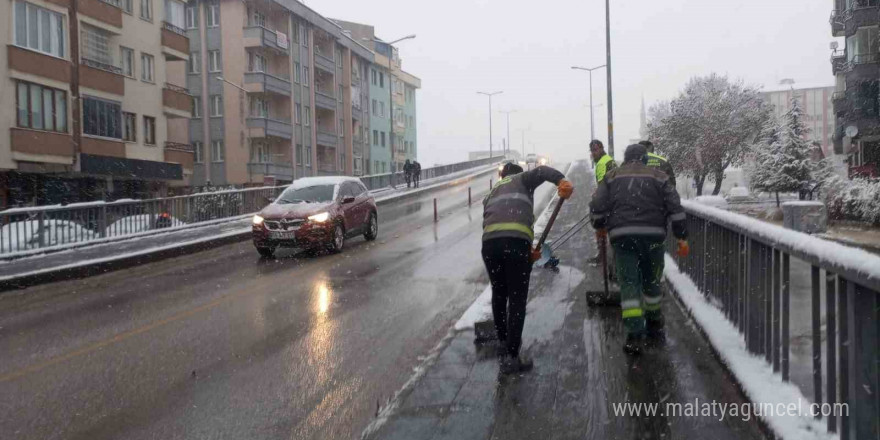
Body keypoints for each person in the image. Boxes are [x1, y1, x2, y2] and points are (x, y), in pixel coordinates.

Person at [589, 144, 689, 355]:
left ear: (625, 159)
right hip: (653, 237)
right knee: (652, 279)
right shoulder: (659, 176)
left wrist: (599, 225)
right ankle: (654, 325)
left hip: (623, 237)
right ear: (644, 158)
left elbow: (598, 203)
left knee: (629, 282)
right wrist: (681, 236)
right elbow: (675, 207)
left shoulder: (612, 176)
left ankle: (635, 335)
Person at [482, 162, 573, 373]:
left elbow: (492, 219)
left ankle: (504, 342)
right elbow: (542, 171)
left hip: (490, 245)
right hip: (515, 244)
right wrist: (562, 180)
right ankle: (513, 356)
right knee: (516, 297)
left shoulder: (493, 190)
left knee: (499, 292)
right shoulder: (522, 179)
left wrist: (525, 248)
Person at [588, 139, 618, 265]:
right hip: (617, 200)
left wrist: (596, 198)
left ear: (601, 149)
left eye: (595, 150)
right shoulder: (610, 160)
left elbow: (602, 186)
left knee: (600, 228)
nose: (593, 153)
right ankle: (614, 259)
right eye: (592, 150)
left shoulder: (601, 163)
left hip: (608, 203)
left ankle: (603, 257)